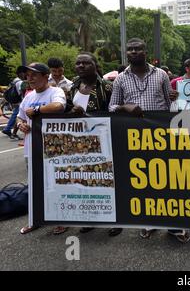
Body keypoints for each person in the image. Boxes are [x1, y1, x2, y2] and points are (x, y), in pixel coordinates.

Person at [109, 38, 189, 243]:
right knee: (143, 180)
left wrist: (175, 97)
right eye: (130, 49)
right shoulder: (120, 79)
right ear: (126, 53)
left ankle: (174, 225)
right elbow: (111, 107)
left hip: (161, 135)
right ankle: (149, 222)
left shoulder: (161, 74)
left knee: (169, 179)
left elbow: (169, 103)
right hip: (135, 137)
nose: (134, 52)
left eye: (138, 49)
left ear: (146, 51)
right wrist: (124, 107)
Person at [58, 52, 119, 237]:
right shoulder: (72, 87)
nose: (81, 66)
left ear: (95, 65)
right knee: (85, 181)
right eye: (78, 63)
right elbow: (65, 110)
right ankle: (90, 219)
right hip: (79, 143)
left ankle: (115, 220)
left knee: (109, 182)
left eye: (86, 63)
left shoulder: (107, 87)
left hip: (105, 141)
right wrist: (71, 111)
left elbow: (115, 113)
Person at [16, 63, 66, 235]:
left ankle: (60, 219)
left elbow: (59, 106)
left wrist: (37, 110)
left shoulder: (55, 92)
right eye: (27, 75)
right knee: (35, 186)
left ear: (46, 76)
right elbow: (19, 117)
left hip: (53, 150)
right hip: (31, 149)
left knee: (55, 185)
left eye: (34, 75)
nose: (29, 78)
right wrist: (21, 125)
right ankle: (34, 220)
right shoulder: (28, 96)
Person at [2, 67, 27, 140]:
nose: (25, 74)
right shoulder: (20, 82)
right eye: (24, 73)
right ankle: (8, 129)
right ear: (20, 73)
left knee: (16, 114)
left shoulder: (15, 80)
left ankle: (9, 130)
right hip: (19, 101)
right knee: (17, 115)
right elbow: (21, 93)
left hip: (15, 101)